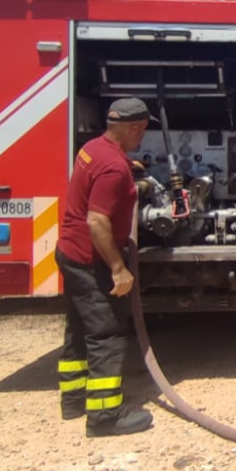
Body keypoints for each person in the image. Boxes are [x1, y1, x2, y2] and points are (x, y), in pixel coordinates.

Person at [54, 97, 156, 437]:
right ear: (132, 128)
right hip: (90, 260)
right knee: (106, 333)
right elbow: (97, 221)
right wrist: (117, 267)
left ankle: (73, 400)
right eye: (142, 130)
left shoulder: (92, 150)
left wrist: (128, 171)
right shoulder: (113, 167)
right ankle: (105, 416)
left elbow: (102, 179)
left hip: (69, 253)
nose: (142, 136)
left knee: (79, 328)